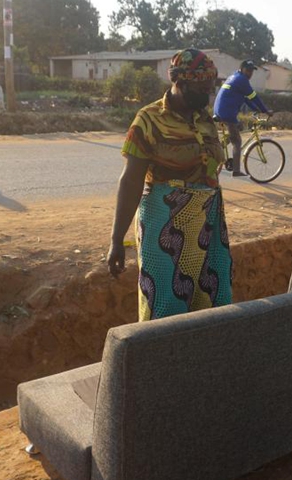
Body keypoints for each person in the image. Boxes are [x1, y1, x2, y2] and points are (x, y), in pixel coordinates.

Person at [107, 48, 232, 322]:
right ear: (181, 82)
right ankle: (162, 363)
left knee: (211, 299)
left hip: (207, 226)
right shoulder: (148, 120)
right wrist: (117, 240)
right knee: (165, 304)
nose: (209, 93)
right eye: (203, 87)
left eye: (212, 86)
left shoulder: (205, 120)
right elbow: (130, 181)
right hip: (164, 226)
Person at [213, 59, 272, 177]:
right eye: (248, 70)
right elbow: (254, 96)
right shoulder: (242, 80)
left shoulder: (234, 76)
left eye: (252, 71)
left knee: (237, 127)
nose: (250, 73)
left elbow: (246, 98)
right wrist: (266, 111)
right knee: (237, 141)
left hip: (220, 110)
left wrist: (257, 110)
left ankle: (219, 147)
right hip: (227, 113)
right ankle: (236, 170)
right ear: (242, 69)